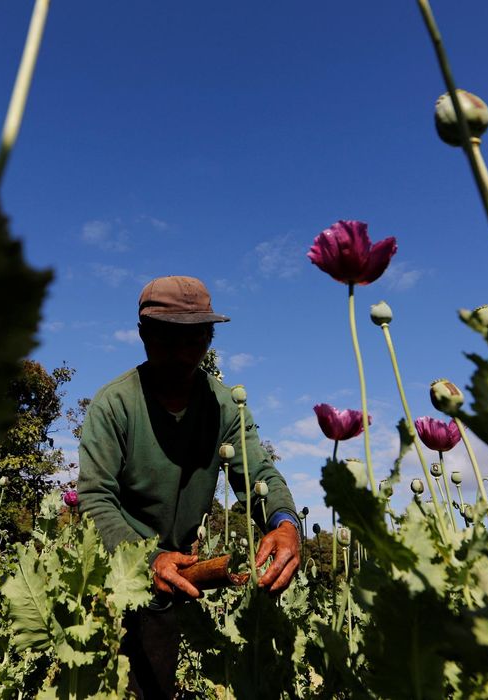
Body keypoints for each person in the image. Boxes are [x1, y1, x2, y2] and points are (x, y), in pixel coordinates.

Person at [77, 275, 302, 699]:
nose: (182, 353)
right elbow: (94, 498)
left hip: (175, 586)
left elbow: (261, 477)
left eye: (195, 338)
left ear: (209, 337)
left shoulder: (224, 407)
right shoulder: (115, 405)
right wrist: (149, 559)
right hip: (111, 581)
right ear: (143, 335)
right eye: (166, 337)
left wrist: (285, 523)